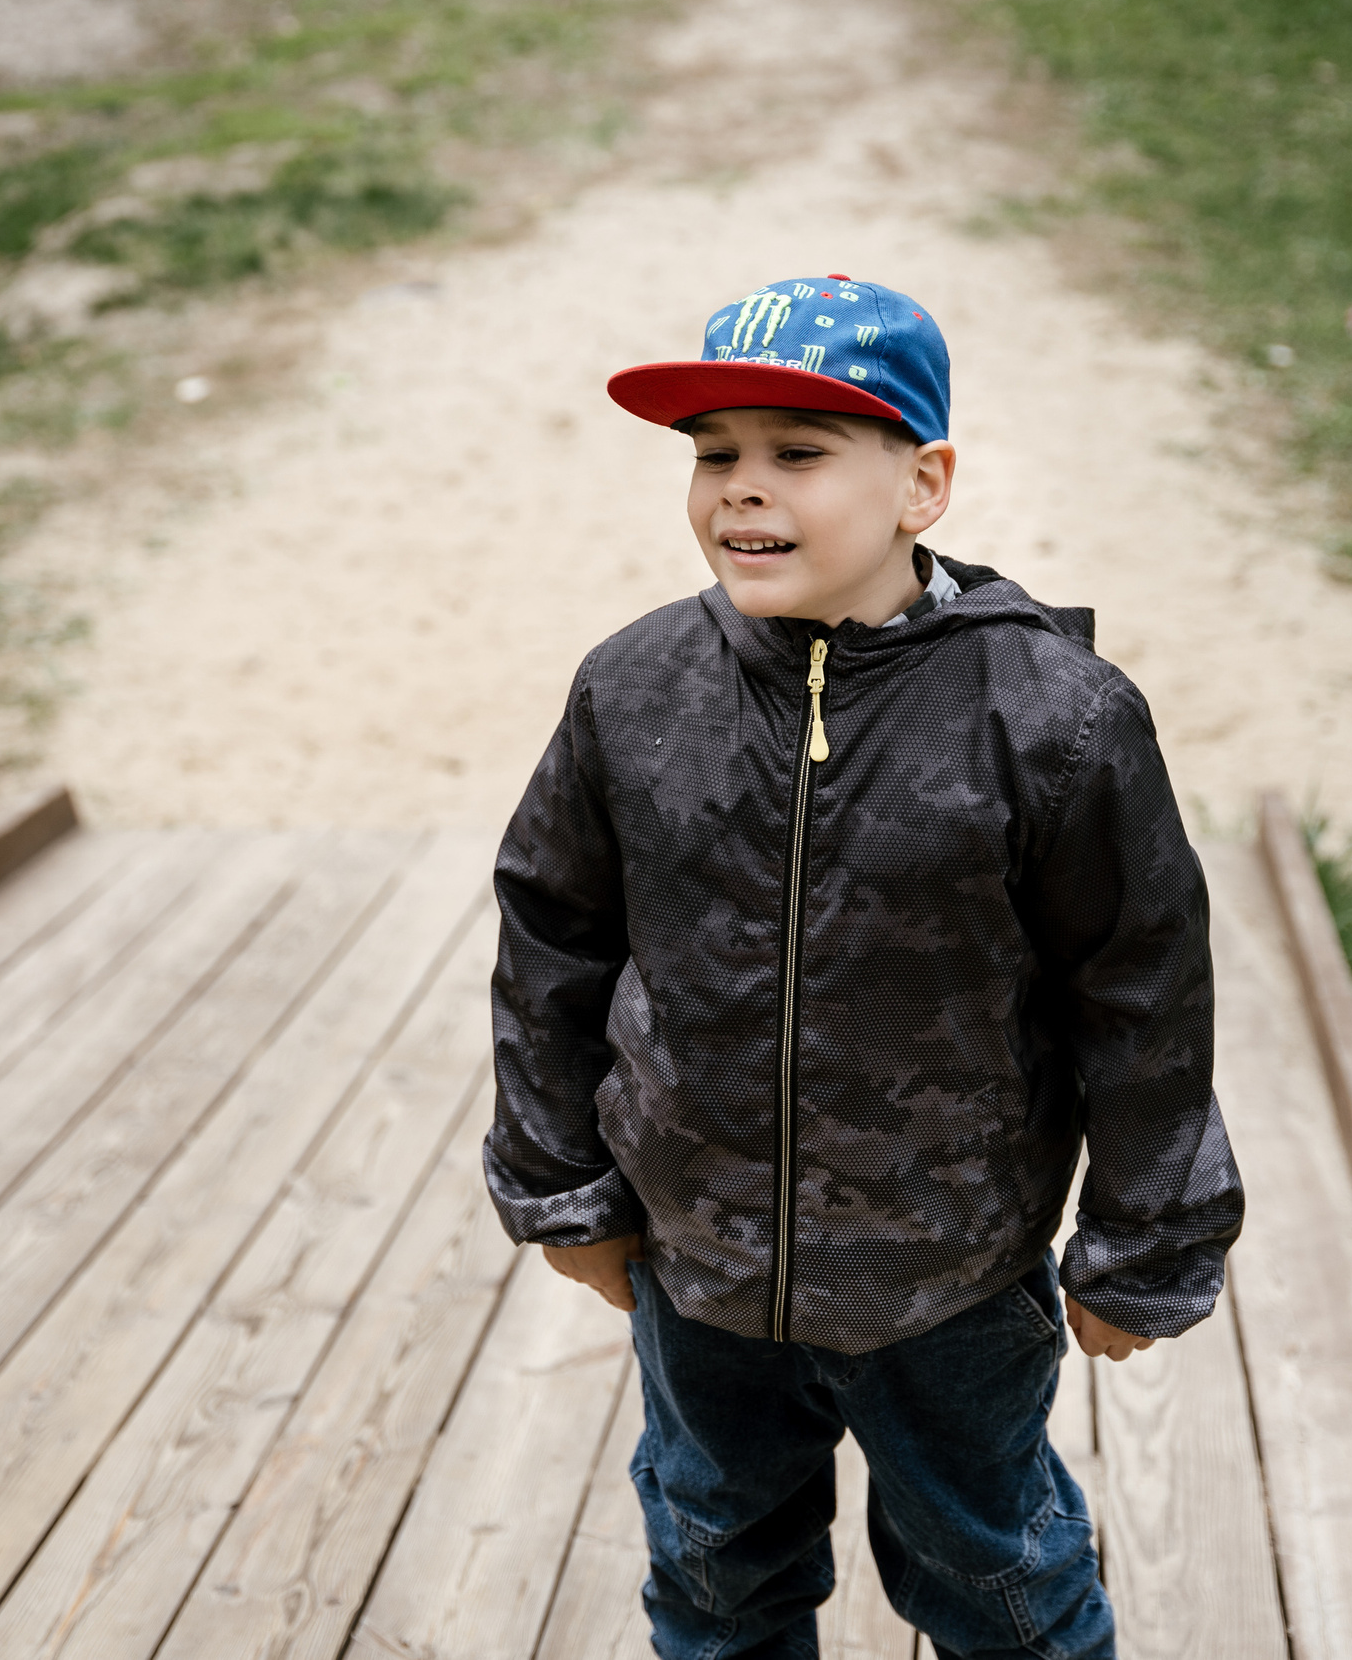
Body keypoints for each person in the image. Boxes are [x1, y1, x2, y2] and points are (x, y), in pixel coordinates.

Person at [483, 274, 1243, 1660]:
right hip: (700, 1264)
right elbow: (553, 935)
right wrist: (557, 1184)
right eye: (715, 453)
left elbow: (1142, 994)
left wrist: (1145, 1244)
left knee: (996, 1573)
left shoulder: (1053, 721)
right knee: (715, 1565)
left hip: (947, 1274)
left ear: (921, 486)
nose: (742, 487)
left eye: (799, 451)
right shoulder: (634, 690)